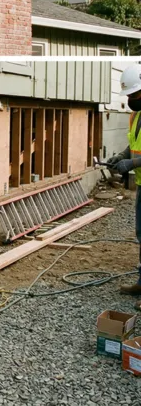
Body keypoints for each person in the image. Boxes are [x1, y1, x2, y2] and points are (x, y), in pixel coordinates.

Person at [107, 62, 141, 309]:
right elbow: (134, 143)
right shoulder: (136, 115)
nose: (130, 99)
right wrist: (122, 155)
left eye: (134, 94)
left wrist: (131, 163)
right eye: (128, 95)